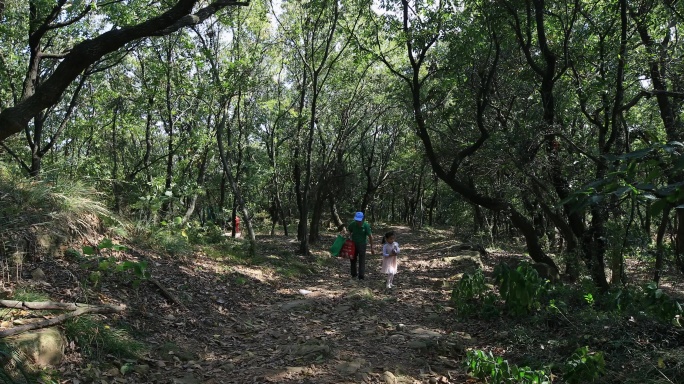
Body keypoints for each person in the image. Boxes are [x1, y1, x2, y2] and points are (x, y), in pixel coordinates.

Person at [347, 211, 374, 280]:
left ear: (363, 219)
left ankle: (361, 276)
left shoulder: (366, 225)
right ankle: (353, 274)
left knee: (362, 260)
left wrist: (372, 247)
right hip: (353, 244)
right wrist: (349, 236)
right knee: (352, 259)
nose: (358, 222)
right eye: (356, 220)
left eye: (359, 220)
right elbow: (349, 230)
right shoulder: (353, 224)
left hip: (362, 244)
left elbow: (370, 236)